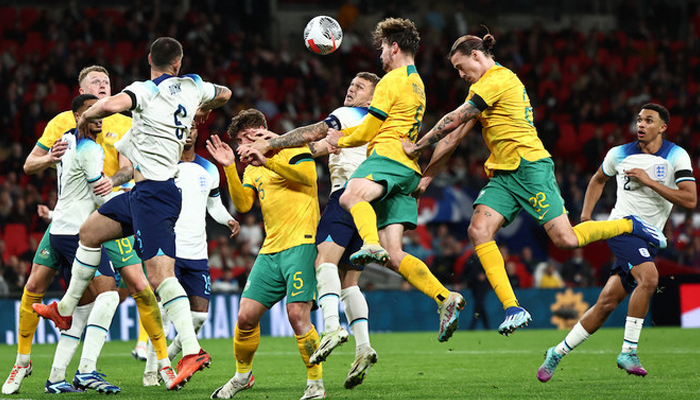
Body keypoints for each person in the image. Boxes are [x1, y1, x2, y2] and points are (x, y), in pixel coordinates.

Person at [402, 30, 667, 336]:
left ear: (477, 55)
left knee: (566, 240)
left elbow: (454, 119)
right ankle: (513, 308)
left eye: (462, 67)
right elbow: (453, 136)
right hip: (503, 174)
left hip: (530, 168)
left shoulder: (500, 79)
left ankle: (629, 225)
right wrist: (427, 178)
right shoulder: (481, 89)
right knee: (478, 230)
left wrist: (417, 146)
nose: (461, 75)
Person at [33, 37, 232, 391]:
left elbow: (111, 105)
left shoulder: (143, 90)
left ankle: (191, 350)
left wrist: (86, 118)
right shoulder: (193, 86)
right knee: (90, 232)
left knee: (159, 277)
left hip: (155, 194)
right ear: (178, 63)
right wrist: (201, 100)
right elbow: (226, 94)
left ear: (149, 59)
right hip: (141, 192)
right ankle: (65, 309)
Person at [323, 17, 465, 344]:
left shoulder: (390, 80)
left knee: (350, 197)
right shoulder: (418, 83)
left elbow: (370, 131)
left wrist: (339, 138)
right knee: (394, 254)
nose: (381, 55)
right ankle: (445, 297)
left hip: (386, 157)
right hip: (408, 170)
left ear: (395, 46)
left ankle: (368, 243)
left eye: (383, 48)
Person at [2, 65, 141, 395]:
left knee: (87, 303)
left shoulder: (78, 136)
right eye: (95, 87)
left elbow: (124, 169)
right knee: (104, 298)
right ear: (79, 107)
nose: (100, 115)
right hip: (83, 230)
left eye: (106, 83)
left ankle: (57, 376)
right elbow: (96, 192)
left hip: (66, 222)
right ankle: (48, 362)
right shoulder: (82, 143)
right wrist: (138, 206)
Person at [537, 103, 696, 381]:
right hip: (622, 228)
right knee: (649, 279)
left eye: (649, 120)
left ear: (663, 127)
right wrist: (586, 215)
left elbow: (690, 199)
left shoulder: (676, 156)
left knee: (606, 303)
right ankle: (628, 351)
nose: (641, 125)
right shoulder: (619, 154)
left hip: (649, 236)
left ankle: (557, 351)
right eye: (638, 120)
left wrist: (650, 182)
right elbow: (598, 180)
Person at [207, 109, 325, 400]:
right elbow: (244, 204)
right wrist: (229, 168)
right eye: (238, 142)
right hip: (271, 249)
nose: (242, 146)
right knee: (245, 316)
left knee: (297, 315)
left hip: (302, 242)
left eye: (246, 138)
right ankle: (242, 376)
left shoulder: (292, 146)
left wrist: (269, 162)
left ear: (261, 130)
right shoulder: (251, 167)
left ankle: (315, 385)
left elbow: (308, 177)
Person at [142, 122, 240, 386]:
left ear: (198, 132)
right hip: (168, 250)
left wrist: (228, 219)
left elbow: (214, 205)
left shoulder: (208, 169)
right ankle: (153, 370)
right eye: (182, 127)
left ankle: (171, 358)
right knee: (163, 314)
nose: (187, 132)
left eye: (192, 128)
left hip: (197, 252)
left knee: (199, 316)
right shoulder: (162, 165)